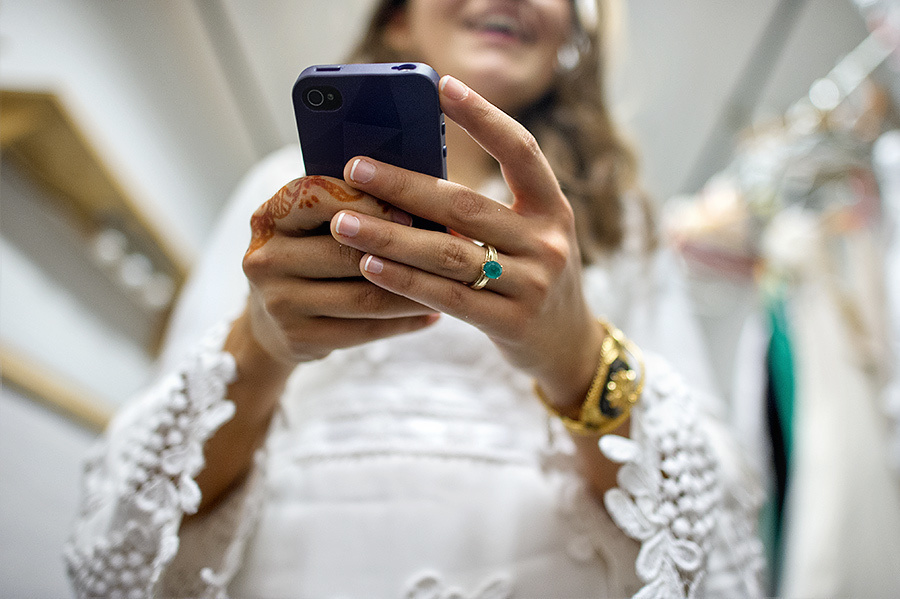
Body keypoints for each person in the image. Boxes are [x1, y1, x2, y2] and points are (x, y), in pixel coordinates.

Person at [65, 0, 766, 597]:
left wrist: (578, 355)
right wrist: (263, 343)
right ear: (397, 22)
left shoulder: (621, 221)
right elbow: (124, 533)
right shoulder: (277, 192)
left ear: (570, 40)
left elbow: (721, 535)